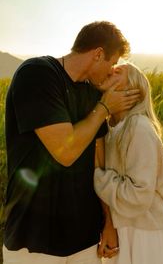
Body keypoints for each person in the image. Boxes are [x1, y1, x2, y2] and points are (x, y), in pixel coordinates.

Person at [3, 21, 140, 264]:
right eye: (112, 62)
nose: (112, 70)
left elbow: (100, 166)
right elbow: (65, 152)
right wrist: (105, 107)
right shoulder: (37, 74)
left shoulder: (92, 94)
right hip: (32, 241)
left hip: (84, 240)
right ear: (98, 54)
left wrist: (108, 222)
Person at [94, 62, 163, 264]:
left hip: (145, 233)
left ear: (130, 90)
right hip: (126, 229)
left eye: (118, 71)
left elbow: (139, 194)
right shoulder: (110, 129)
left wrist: (97, 177)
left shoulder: (139, 128)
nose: (110, 69)